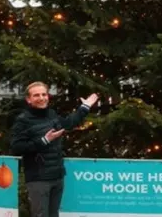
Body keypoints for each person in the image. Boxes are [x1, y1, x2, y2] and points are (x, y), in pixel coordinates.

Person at [11, 81, 99, 217]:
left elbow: (68, 123)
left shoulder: (51, 114)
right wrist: (44, 140)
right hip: (38, 179)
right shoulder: (23, 120)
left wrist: (85, 107)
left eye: (44, 94)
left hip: (57, 176)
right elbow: (16, 147)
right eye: (36, 95)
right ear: (29, 99)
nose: (41, 98)